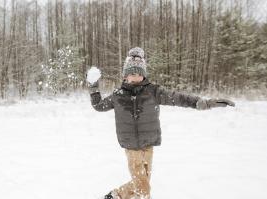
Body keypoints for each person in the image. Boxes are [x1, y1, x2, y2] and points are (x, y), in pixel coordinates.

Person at [87, 47, 235, 199]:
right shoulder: (118, 96)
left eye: (139, 73)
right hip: (131, 147)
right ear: (125, 76)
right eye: (132, 73)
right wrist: (93, 87)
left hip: (149, 145)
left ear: (143, 74)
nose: (135, 77)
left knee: (143, 182)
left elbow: (178, 98)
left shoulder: (153, 92)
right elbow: (99, 106)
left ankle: (117, 195)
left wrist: (203, 103)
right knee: (143, 188)